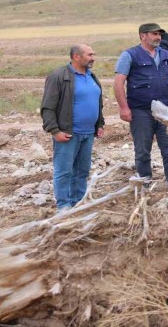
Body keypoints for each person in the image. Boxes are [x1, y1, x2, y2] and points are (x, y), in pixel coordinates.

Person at [114, 23, 168, 198]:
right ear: (143, 36)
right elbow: (119, 82)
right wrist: (124, 107)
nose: (158, 37)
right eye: (154, 34)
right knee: (143, 150)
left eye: (159, 34)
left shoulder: (166, 54)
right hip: (141, 110)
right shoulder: (129, 55)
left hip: (165, 110)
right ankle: (145, 184)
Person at [41, 45, 105, 211]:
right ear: (76, 56)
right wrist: (55, 131)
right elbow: (47, 107)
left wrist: (100, 124)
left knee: (82, 171)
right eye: (90, 54)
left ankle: (78, 201)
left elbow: (98, 103)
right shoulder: (59, 76)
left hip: (88, 133)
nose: (93, 58)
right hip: (68, 134)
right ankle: (64, 205)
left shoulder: (91, 76)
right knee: (64, 171)